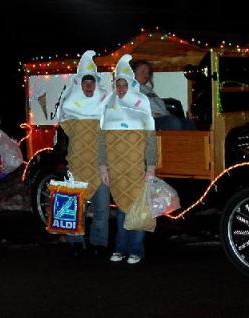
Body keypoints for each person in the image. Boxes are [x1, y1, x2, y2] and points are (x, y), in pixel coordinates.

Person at [99, 54, 156, 265]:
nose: (121, 89)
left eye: (125, 85)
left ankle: (136, 250)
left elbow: (150, 141)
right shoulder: (108, 107)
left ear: (131, 85)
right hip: (117, 168)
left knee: (137, 207)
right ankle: (120, 248)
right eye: (118, 85)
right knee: (122, 208)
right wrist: (103, 166)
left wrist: (150, 166)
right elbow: (102, 141)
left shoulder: (143, 106)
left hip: (137, 167)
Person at [57, 50, 111, 256]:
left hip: (100, 167)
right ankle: (76, 243)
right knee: (75, 208)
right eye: (85, 82)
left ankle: (99, 243)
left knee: (102, 211)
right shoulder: (69, 112)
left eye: (92, 82)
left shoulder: (105, 110)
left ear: (96, 84)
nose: (89, 86)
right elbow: (61, 141)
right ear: (80, 84)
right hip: (77, 166)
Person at [132, 60, 195, 130]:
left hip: (164, 117)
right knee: (174, 122)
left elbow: (161, 107)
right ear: (132, 72)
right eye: (143, 71)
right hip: (150, 120)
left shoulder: (148, 89)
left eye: (148, 73)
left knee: (189, 123)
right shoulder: (130, 88)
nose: (146, 75)